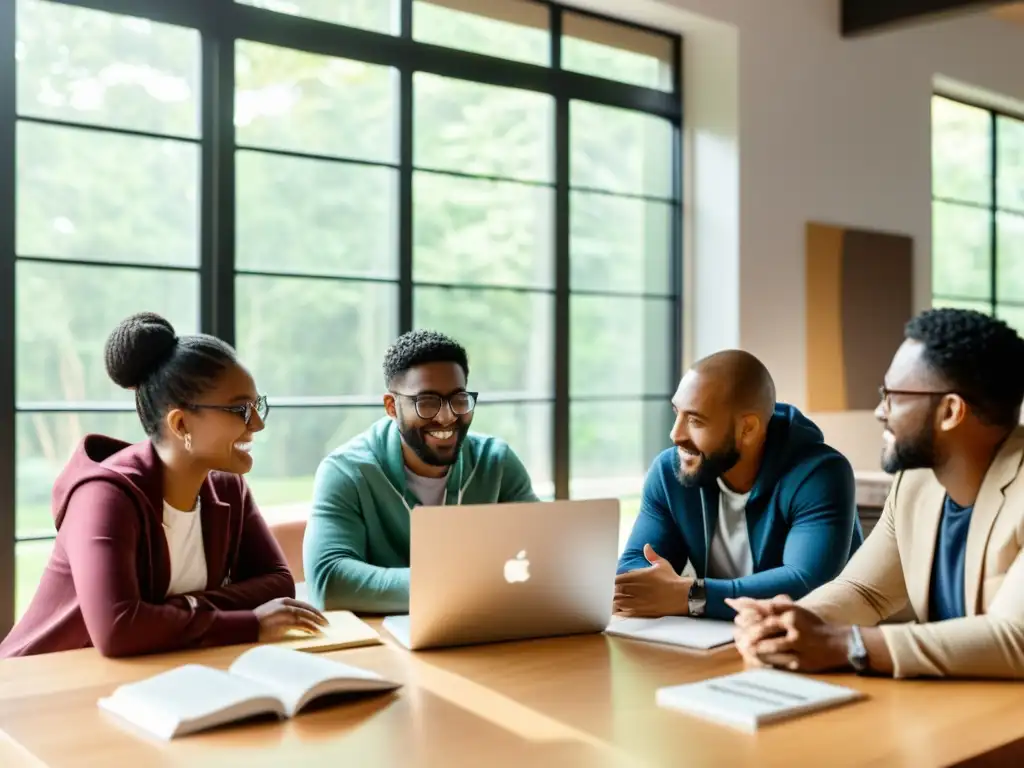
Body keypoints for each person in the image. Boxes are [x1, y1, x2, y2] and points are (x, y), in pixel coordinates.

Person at [0, 312, 326, 659]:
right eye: (240, 410)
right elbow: (118, 629)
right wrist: (247, 623)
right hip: (43, 684)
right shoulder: (104, 496)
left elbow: (277, 582)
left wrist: (169, 609)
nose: (257, 424)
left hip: (152, 672)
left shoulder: (229, 487)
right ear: (181, 422)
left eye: (256, 406)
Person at [730, 309, 1024, 679]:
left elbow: (1015, 637)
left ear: (950, 411)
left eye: (894, 396)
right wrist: (790, 622)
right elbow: (864, 590)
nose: (879, 411)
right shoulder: (915, 482)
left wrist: (845, 645)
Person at [614, 349, 862, 621]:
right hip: (717, 637)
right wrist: (669, 592)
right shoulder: (671, 471)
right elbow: (633, 569)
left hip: (822, 644)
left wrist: (692, 596)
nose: (676, 434)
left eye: (695, 420)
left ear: (748, 429)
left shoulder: (820, 474)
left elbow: (805, 583)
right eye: (677, 413)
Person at [304, 329, 539, 613]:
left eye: (459, 399)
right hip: (384, 644)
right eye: (426, 402)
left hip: (485, 629)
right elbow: (329, 581)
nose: (446, 416)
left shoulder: (496, 462)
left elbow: (543, 550)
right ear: (391, 406)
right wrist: (455, 585)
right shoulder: (346, 471)